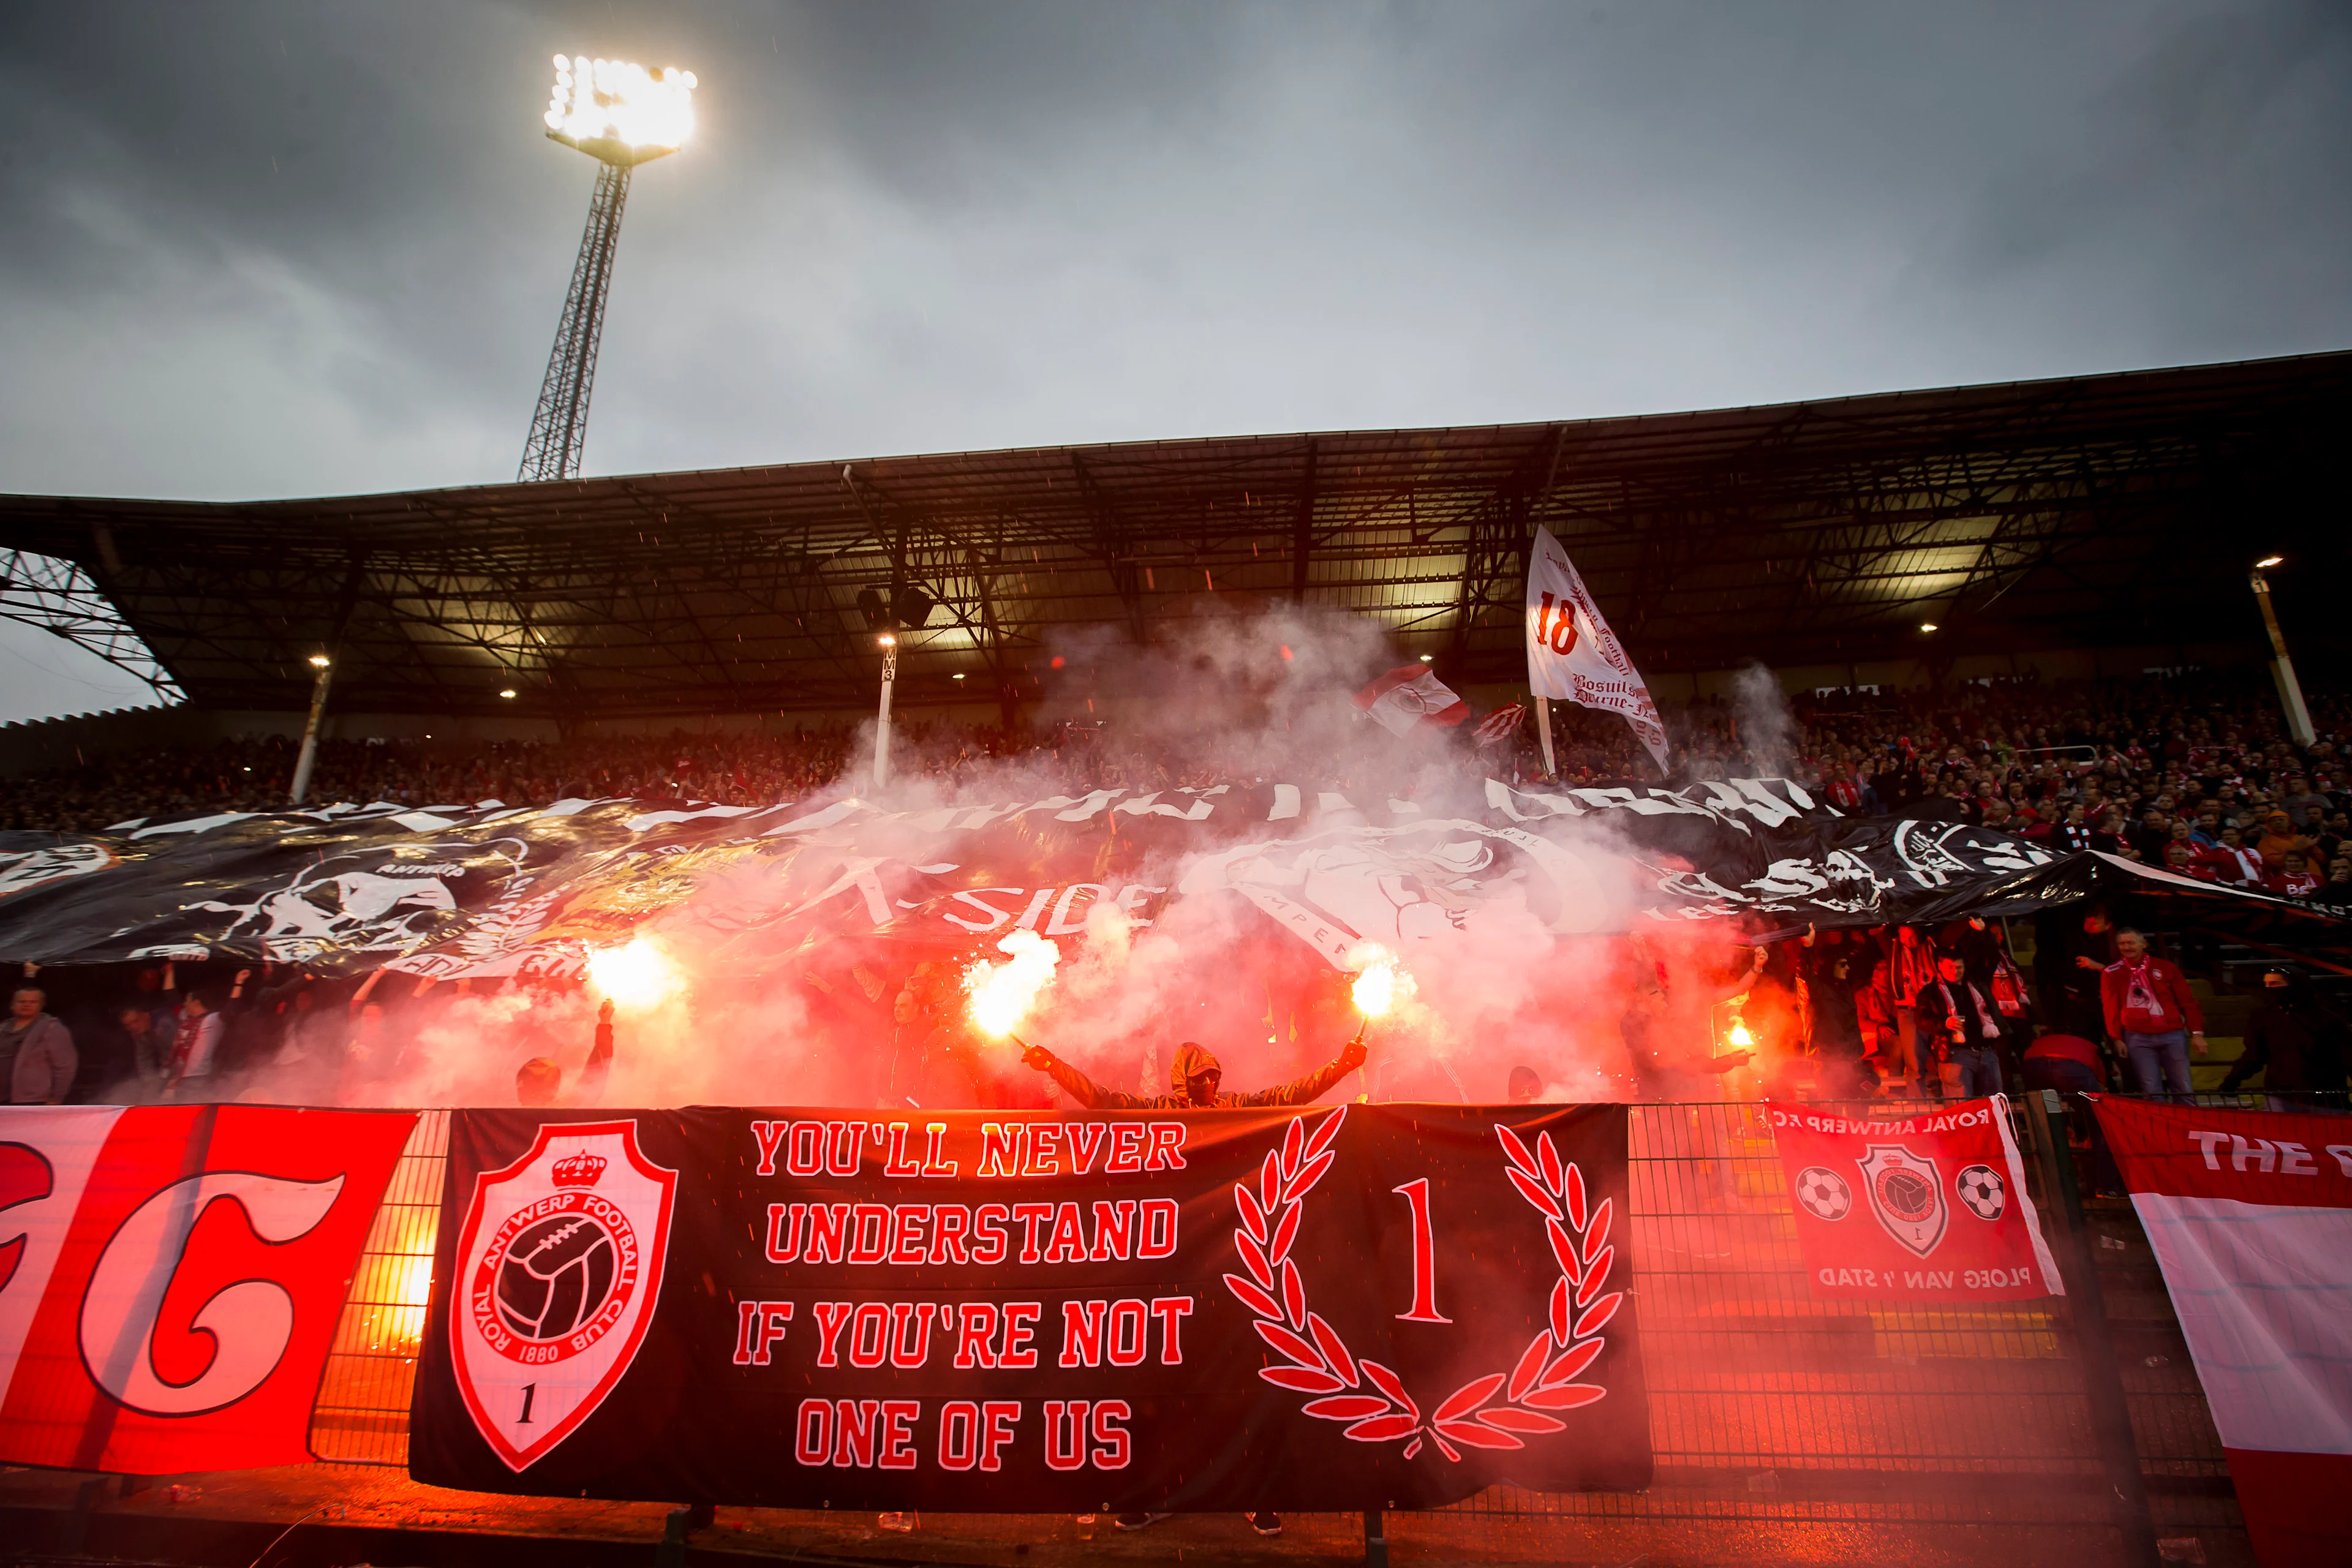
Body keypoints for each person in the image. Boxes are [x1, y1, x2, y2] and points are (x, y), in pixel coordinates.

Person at [1021, 1035, 1366, 1110]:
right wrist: (1055, 1067)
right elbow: (1102, 1100)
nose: (1209, 1083)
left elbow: (1290, 1095)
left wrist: (1340, 1068)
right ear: (1182, 1081)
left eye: (1213, 1076)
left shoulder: (1233, 1107)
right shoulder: (1160, 1113)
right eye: (1200, 1077)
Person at [2100, 929, 2205, 1096]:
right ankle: (2158, 1123)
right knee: (2151, 1089)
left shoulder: (2166, 968)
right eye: (2122, 943)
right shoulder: (2112, 973)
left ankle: (2185, 1122)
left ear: (2144, 944)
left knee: (2183, 1087)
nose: (2127, 947)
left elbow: (2188, 1002)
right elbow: (2110, 1007)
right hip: (2137, 1036)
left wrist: (2197, 1032)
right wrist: (2116, 1038)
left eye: (2131, 942)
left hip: (2172, 1033)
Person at [2220, 968, 2347, 1103]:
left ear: (2295, 985)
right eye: (2266, 984)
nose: (2269, 989)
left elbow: (2348, 1054)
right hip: (2281, 1096)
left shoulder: (2327, 1019)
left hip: (2325, 1097)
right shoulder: (2263, 1017)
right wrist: (2231, 1082)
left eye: (2275, 984)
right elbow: (2254, 1055)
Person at [1923, 955, 2005, 1098]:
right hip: (1955, 1054)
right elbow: (1922, 1020)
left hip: (1987, 1052)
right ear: (1940, 966)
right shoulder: (1931, 992)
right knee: (1962, 1106)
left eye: (1959, 967)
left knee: (1995, 1104)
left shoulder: (1977, 985)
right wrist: (1944, 1023)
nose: (1955, 972)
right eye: (1950, 967)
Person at [1, 988, 77, 1104]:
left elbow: (65, 1066)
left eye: (33, 1002)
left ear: (41, 1005)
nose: (27, 1005)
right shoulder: (3, 1028)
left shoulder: (52, 1029)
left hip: (33, 1099)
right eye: (22, 1002)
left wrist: (57, 1097)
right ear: (12, 1005)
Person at [160, 990, 225, 1101]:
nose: (185, 1004)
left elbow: (230, 1010)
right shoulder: (186, 1020)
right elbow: (172, 1000)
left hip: (200, 1077)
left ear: (196, 1003)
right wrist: (170, 973)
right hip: (181, 1078)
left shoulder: (213, 1019)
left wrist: (238, 984)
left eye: (187, 1001)